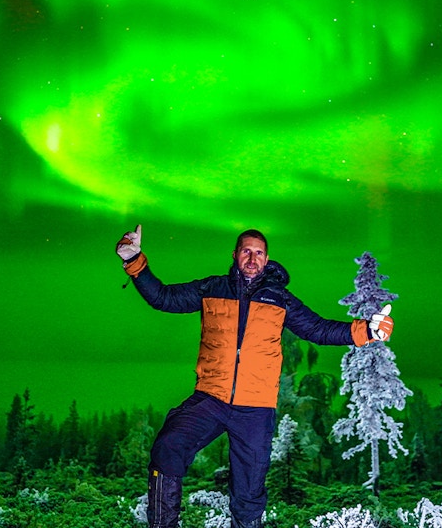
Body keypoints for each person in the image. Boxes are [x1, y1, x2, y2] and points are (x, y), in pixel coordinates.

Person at [115, 224, 394, 528]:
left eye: (258, 252)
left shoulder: (280, 299)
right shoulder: (212, 288)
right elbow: (164, 298)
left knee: (248, 493)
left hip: (255, 408)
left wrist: (367, 330)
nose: (252, 257)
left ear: (267, 258)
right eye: (246, 251)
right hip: (210, 397)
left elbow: (318, 328)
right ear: (235, 255)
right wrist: (134, 261)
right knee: (169, 446)